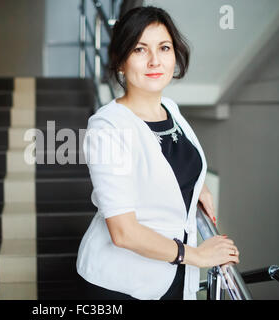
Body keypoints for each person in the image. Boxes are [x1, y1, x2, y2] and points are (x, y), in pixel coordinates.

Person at [76, 6, 240, 300]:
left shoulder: (171, 109)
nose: (155, 60)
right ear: (120, 62)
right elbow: (123, 232)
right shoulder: (107, 127)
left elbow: (167, 164)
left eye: (164, 48)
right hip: (122, 284)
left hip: (174, 277)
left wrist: (194, 184)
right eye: (140, 49)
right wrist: (198, 256)